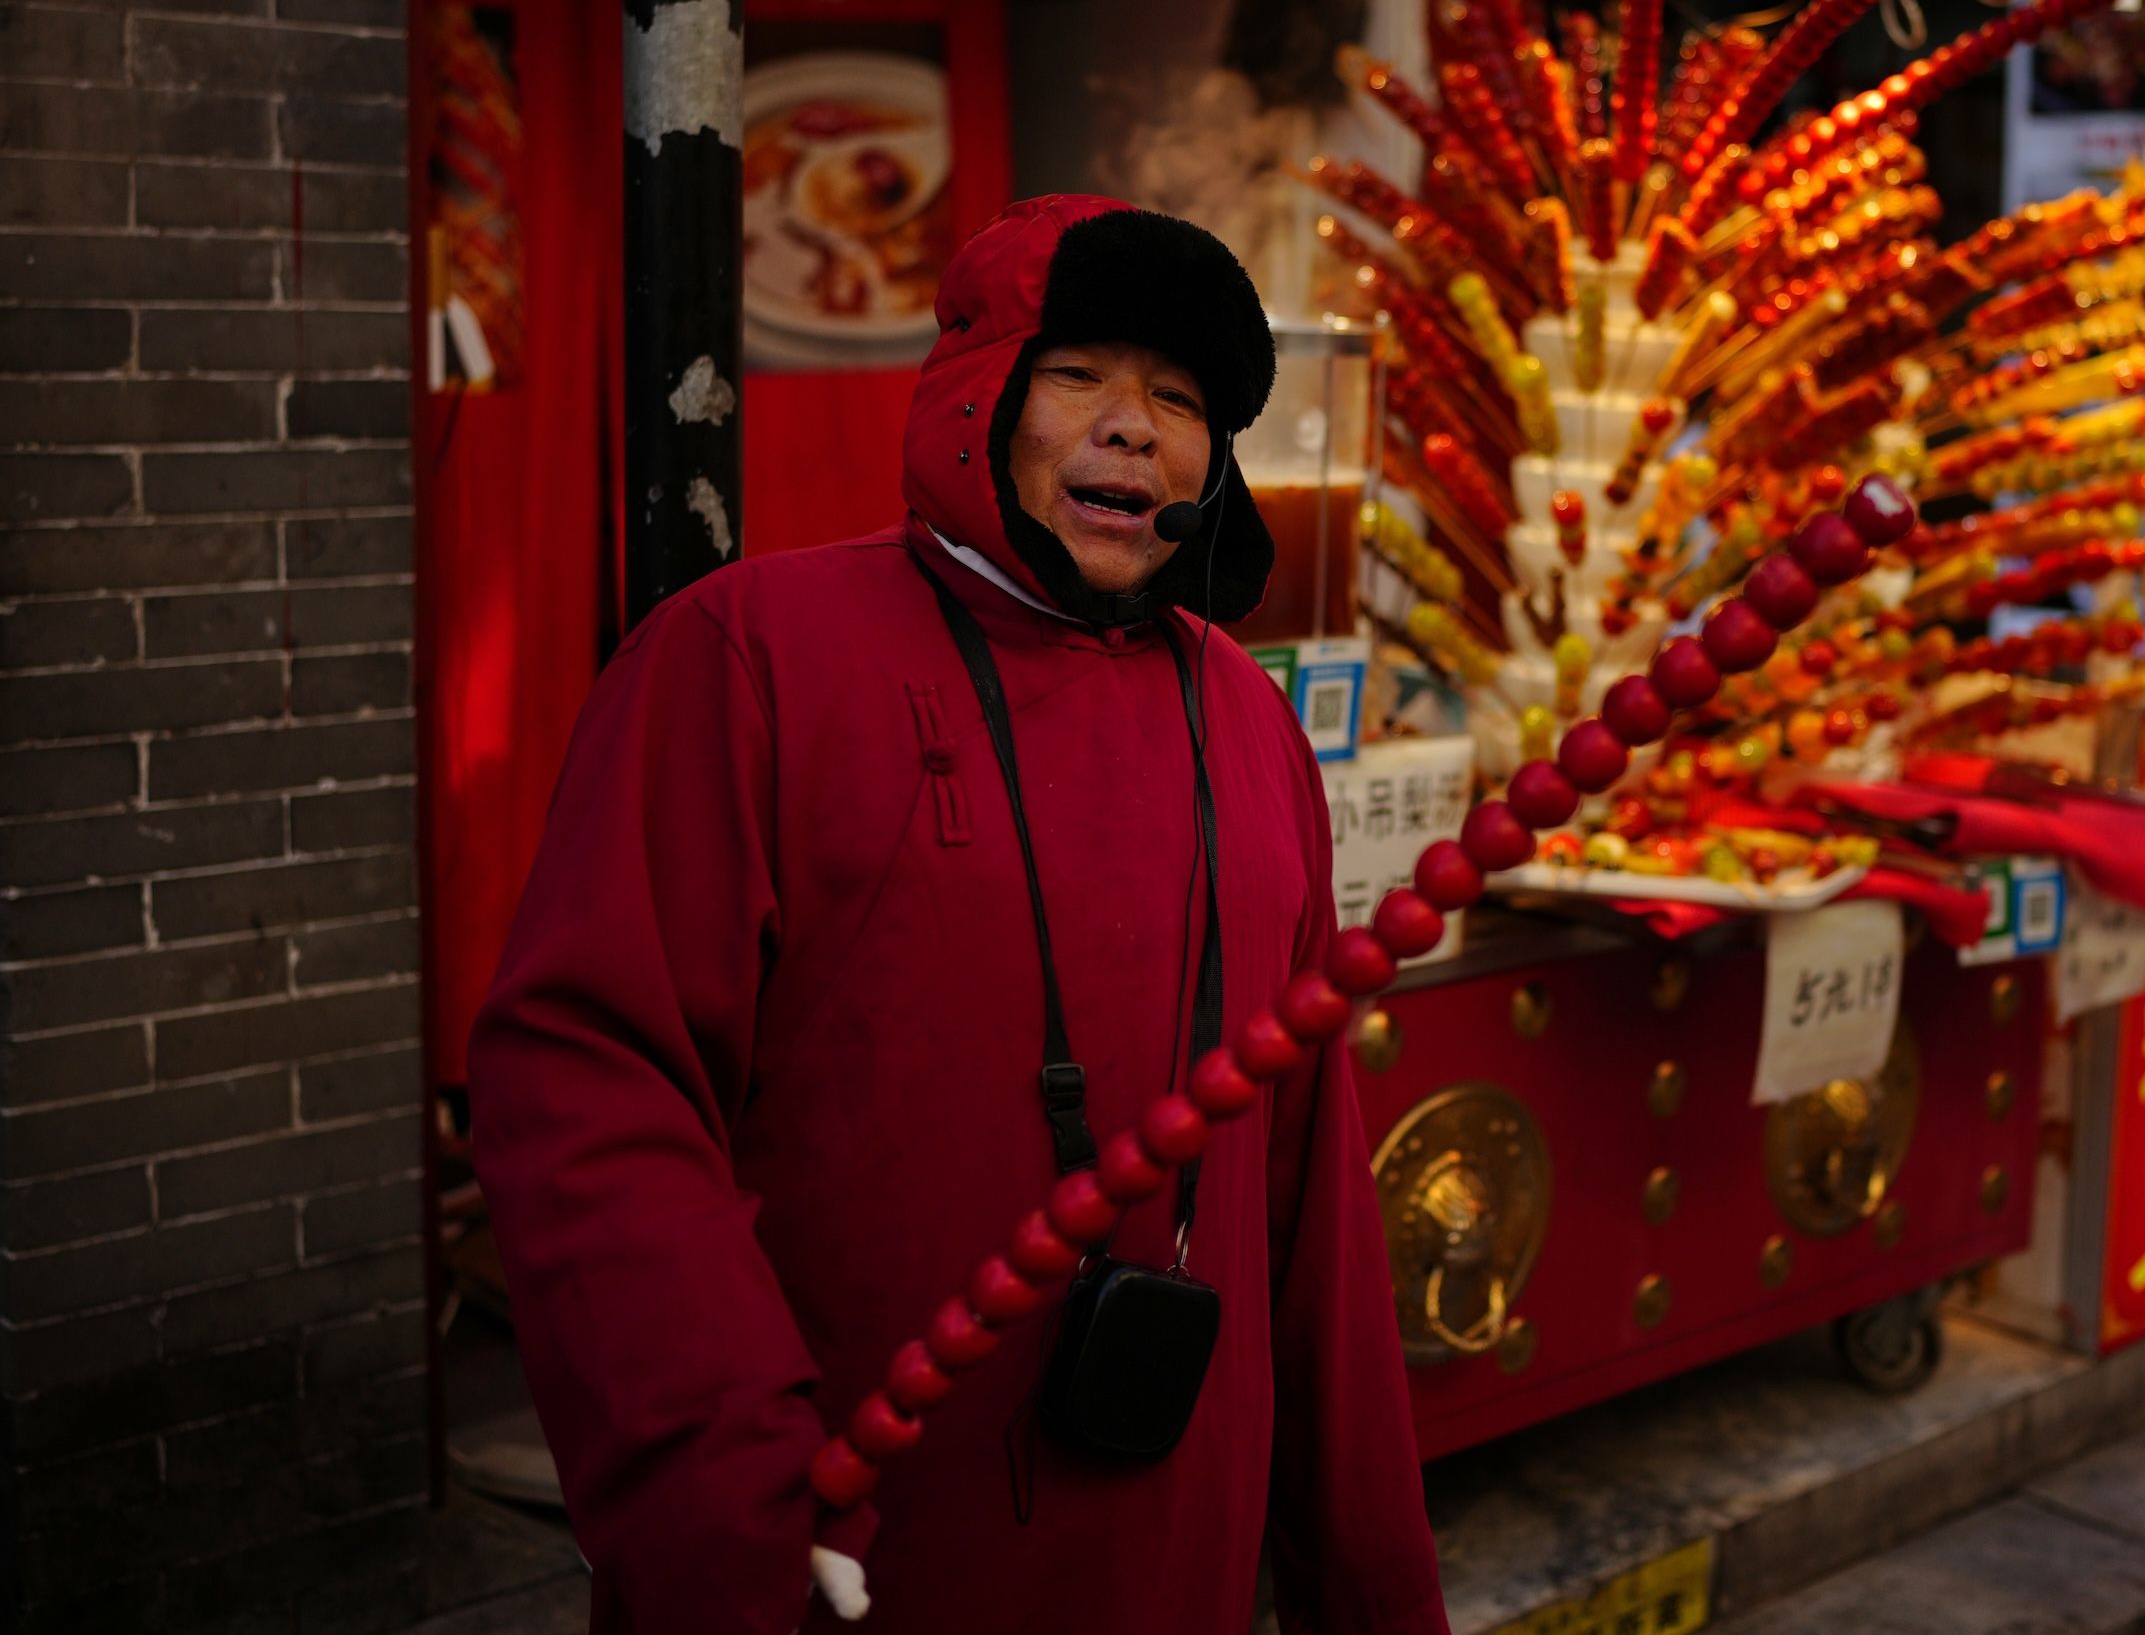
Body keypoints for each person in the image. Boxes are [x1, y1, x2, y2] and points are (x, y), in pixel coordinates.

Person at [468, 194, 1450, 1634]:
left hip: (1175, 1527)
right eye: (1081, 377)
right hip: (859, 1541)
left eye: (1178, 401)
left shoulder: (1248, 719)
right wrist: (730, 1492)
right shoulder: (750, 659)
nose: (1134, 428)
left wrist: (1370, 1586)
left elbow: (1305, 1196)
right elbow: (591, 1089)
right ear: (980, 393)